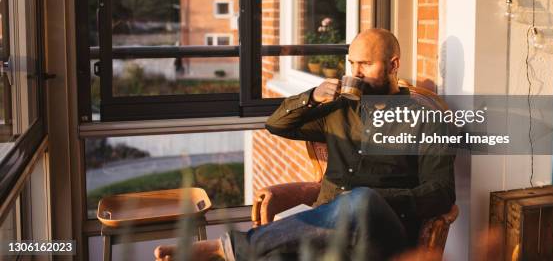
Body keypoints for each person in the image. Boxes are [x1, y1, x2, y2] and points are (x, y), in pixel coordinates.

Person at [155, 28, 455, 261]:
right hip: (326, 230)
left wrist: (377, 198)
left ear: (393, 65)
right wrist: (311, 98)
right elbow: (277, 125)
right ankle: (235, 250)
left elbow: (441, 194)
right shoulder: (336, 109)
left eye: (365, 64)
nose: (354, 73)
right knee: (274, 255)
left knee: (363, 201)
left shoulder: (428, 120)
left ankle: (225, 247)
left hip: (383, 234)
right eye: (351, 63)